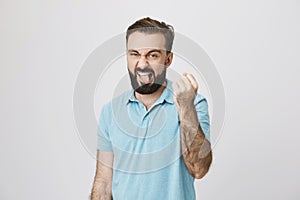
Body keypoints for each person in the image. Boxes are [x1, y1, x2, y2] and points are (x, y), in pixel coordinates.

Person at [91, 17, 212, 200]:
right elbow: (103, 183)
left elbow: (199, 168)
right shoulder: (110, 111)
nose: (142, 64)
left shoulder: (194, 104)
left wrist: (186, 107)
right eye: (134, 54)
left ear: (168, 59)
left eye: (152, 55)